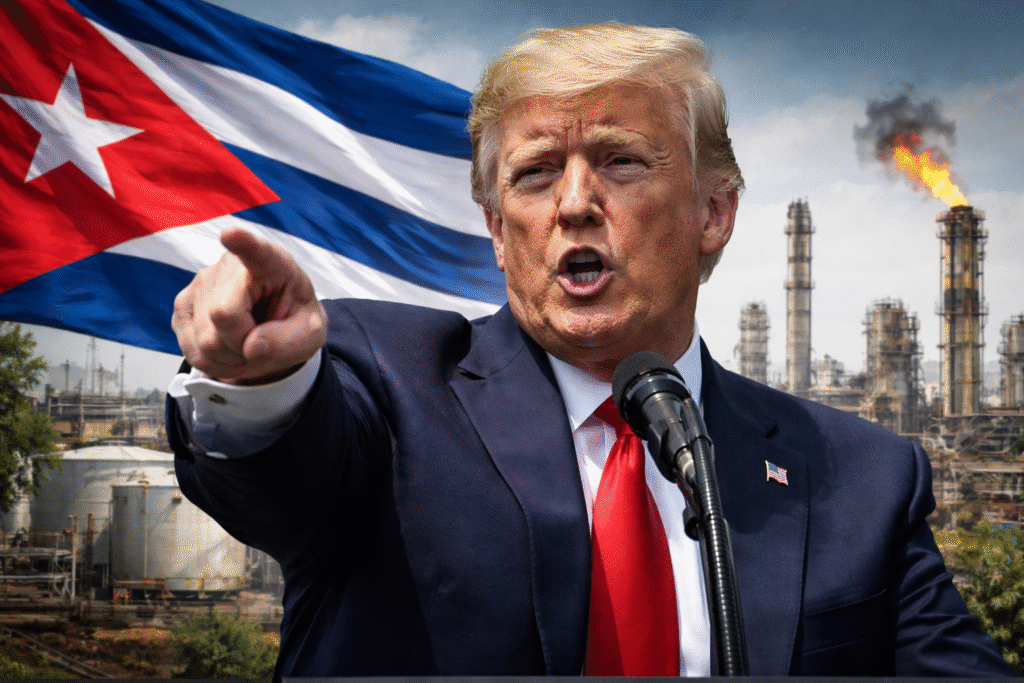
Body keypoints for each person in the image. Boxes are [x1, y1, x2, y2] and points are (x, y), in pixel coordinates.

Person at [167, 23, 1016, 678]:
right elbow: (289, 466)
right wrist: (260, 377)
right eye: (536, 173)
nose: (575, 202)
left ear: (714, 213)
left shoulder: (859, 477)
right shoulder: (388, 389)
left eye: (620, 161)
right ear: (499, 233)